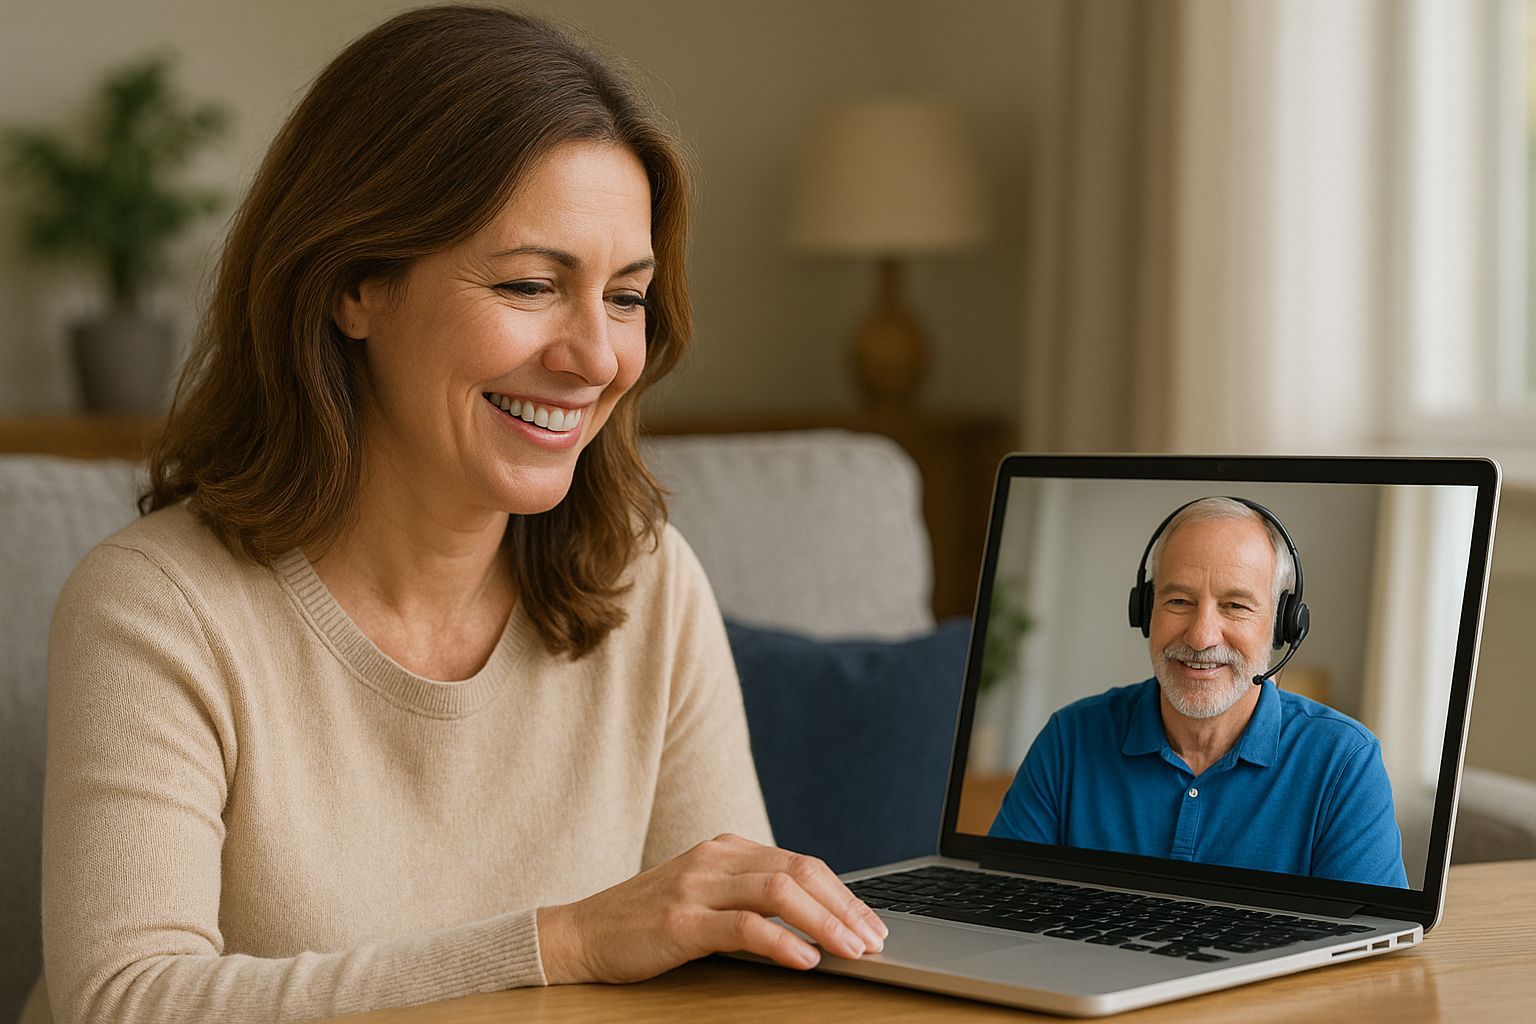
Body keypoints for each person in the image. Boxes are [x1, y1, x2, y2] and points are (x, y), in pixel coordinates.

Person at [27, 8, 885, 1024]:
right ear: (353, 284)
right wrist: (566, 942)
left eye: (625, 296)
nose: (598, 356)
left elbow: (725, 967)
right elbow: (123, 1001)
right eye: (530, 283)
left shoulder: (642, 578)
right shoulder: (159, 606)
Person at [987, 497, 1408, 888]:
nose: (1202, 636)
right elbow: (999, 907)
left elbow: (1367, 952)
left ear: (1283, 627)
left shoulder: (1344, 762)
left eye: (1236, 606)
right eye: (1179, 601)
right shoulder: (1070, 739)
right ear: (1146, 609)